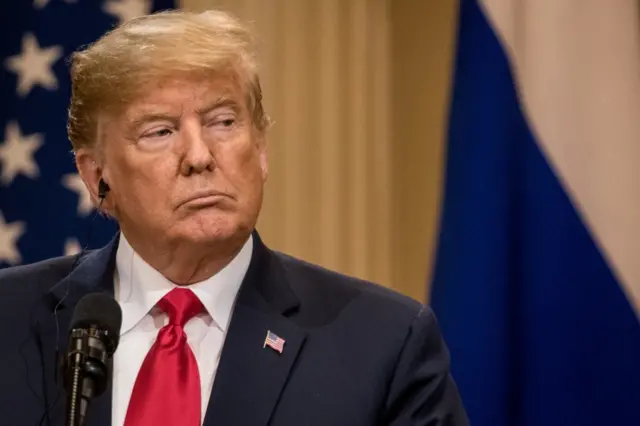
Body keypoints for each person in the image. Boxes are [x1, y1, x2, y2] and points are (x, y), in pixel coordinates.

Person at [0, 9, 468, 426]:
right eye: (160, 131)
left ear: (260, 150)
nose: (200, 156)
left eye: (223, 122)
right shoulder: (10, 318)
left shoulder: (382, 343)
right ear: (97, 175)